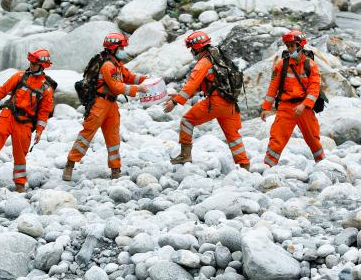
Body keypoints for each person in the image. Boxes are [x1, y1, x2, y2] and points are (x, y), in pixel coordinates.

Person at [63, 32, 148, 181]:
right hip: (99, 104)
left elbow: (128, 76)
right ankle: (70, 165)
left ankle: (115, 169)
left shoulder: (116, 63)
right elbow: (116, 87)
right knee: (86, 136)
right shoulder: (108, 65)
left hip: (111, 105)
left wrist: (146, 79)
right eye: (121, 48)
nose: (123, 51)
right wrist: (137, 89)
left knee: (113, 137)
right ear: (114, 48)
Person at [0, 49, 55, 192]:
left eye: (34, 63)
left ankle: (20, 186)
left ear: (42, 66)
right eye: (31, 63)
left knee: (20, 156)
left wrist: (39, 131)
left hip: (25, 123)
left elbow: (44, 113)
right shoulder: (20, 77)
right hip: (8, 115)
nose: (31, 65)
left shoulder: (47, 89)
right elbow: (2, 90)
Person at [164, 31, 250, 169]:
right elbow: (202, 86)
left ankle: (185, 155)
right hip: (230, 103)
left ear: (197, 47)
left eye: (192, 48)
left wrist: (175, 102)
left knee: (187, 121)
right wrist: (179, 96)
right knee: (233, 136)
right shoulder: (219, 58)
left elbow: (191, 85)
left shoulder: (203, 63)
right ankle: (244, 165)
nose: (191, 52)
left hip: (216, 103)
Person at [261, 30, 324, 167]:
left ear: (300, 46)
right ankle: (267, 167)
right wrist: (266, 107)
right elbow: (273, 88)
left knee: (313, 138)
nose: (290, 49)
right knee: (276, 138)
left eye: (292, 46)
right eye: (288, 46)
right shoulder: (281, 65)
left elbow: (314, 89)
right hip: (285, 107)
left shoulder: (310, 65)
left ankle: (322, 164)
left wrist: (305, 105)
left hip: (304, 108)